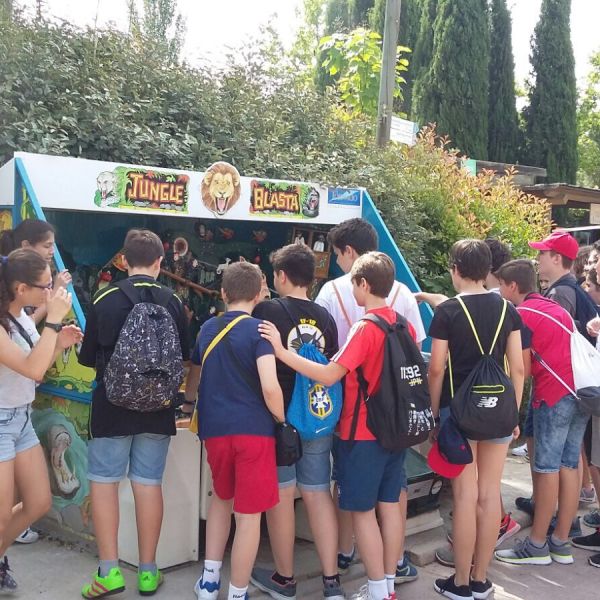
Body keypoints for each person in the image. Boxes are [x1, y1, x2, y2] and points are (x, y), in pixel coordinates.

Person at [260, 251, 417, 600]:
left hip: (361, 431)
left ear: (364, 284)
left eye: (354, 285)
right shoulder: (401, 323)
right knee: (388, 505)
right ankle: (385, 582)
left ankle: (376, 590)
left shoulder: (366, 328)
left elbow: (332, 374)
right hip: (391, 429)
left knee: (361, 511)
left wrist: (282, 353)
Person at [78, 229, 190, 598]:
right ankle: (148, 572)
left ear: (124, 261)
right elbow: (184, 357)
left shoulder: (105, 297)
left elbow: (87, 358)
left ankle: (109, 572)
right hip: (158, 409)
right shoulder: (174, 301)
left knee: (104, 482)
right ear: (160, 261)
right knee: (148, 484)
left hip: (111, 406)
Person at [315, 218, 424, 583]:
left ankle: (349, 556)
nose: (337, 263)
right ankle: (393, 569)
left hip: (357, 419)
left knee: (353, 497)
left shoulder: (334, 293)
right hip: (397, 418)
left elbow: (327, 361)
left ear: (349, 252)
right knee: (393, 497)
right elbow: (415, 352)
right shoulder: (402, 295)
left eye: (337, 254)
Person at [427, 240, 524, 600]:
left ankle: (460, 583)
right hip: (499, 411)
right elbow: (517, 368)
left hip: (459, 414)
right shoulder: (508, 309)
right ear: (487, 271)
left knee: (465, 496)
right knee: (489, 494)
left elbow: (436, 368)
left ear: (455, 269)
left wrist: (434, 412)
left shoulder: (448, 311)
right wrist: (513, 413)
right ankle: (481, 579)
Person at [185, 261, 284, 600]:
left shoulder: (207, 329)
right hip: (254, 431)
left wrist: (187, 404)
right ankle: (237, 592)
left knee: (221, 498)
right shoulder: (260, 331)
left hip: (215, 431)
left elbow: (195, 374)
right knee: (249, 516)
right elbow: (269, 386)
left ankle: (209, 581)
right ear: (258, 294)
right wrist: (282, 420)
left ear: (223, 293)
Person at [250, 244, 343, 600]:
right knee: (318, 494)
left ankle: (284, 579)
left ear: (281, 276)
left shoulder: (268, 310)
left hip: (281, 420)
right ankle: (331, 581)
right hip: (317, 416)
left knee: (283, 495)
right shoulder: (326, 317)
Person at [493, 259, 588, 566]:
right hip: (580, 392)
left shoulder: (520, 315)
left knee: (547, 468)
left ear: (512, 286)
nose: (499, 291)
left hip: (553, 395)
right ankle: (561, 542)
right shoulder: (554, 308)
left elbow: (522, 369)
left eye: (501, 286)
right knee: (569, 465)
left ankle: (536, 546)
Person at [0, 249, 81, 595]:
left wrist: (58, 343)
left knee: (38, 503)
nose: (51, 292)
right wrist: (53, 322)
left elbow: (36, 369)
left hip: (22, 418)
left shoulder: (20, 316)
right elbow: (32, 368)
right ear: (21, 288)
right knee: (2, 514)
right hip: (2, 421)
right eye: (45, 286)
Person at [0, 219, 72, 324]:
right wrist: (55, 292)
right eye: (47, 246)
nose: (52, 251)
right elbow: (28, 323)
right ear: (26, 245)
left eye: (53, 246)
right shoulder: (16, 275)